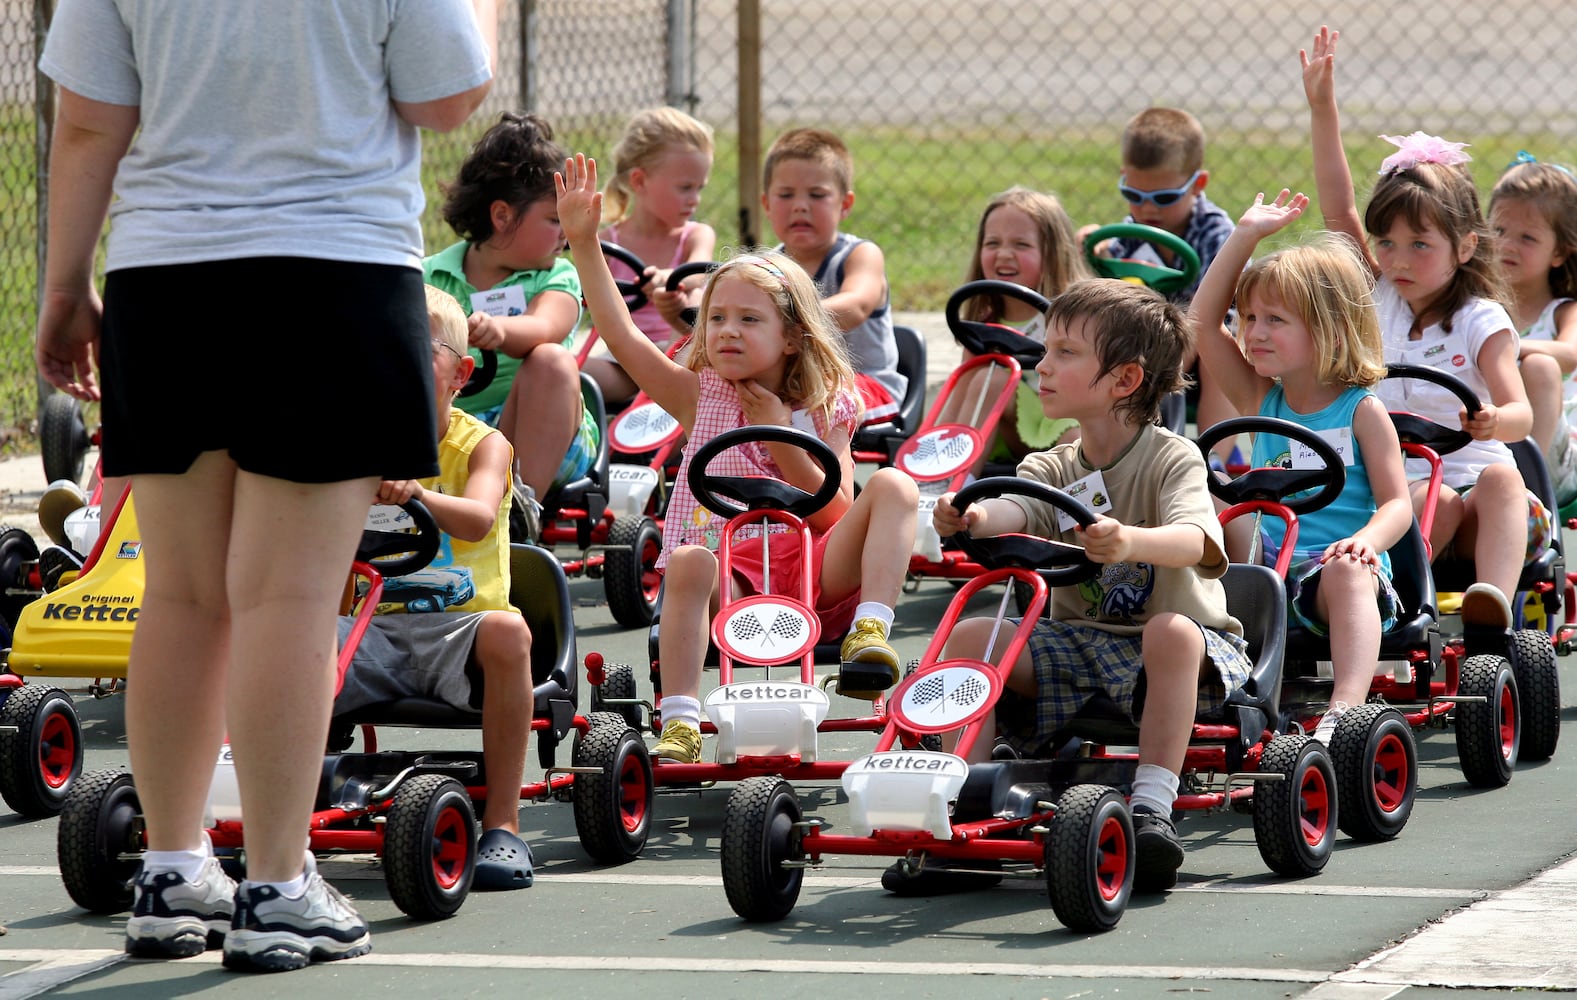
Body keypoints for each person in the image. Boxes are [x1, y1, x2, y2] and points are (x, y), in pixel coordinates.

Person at [35, 0, 494, 973]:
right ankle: (280, 886)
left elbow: (86, 120)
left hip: (165, 277)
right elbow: (447, 95)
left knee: (186, 591)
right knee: (285, 595)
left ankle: (169, 869)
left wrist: (64, 284)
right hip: (332, 270)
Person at [557, 153, 920, 764]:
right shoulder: (699, 395)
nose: (726, 331)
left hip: (811, 570)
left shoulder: (829, 404)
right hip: (730, 572)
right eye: (717, 318)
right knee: (690, 561)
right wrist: (584, 242)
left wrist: (779, 434)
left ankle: (870, 632)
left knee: (894, 487)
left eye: (749, 319)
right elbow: (621, 335)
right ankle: (679, 719)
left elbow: (836, 510)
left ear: (793, 336)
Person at [927, 279, 1253, 895]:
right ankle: (968, 801)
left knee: (1170, 631)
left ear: (1124, 380)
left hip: (1188, 655)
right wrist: (971, 517)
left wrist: (1129, 540)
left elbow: (1198, 540)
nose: (1042, 366)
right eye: (1045, 351)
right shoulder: (1053, 464)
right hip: (1080, 644)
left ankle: (1154, 803)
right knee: (973, 635)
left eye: (1064, 354)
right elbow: (1016, 509)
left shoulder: (1172, 457)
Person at [1302, 25, 1550, 631]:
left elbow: (1520, 413)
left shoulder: (1479, 319)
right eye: (1386, 242)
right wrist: (1323, 108)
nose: (1398, 259)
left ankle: (1492, 605)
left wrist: (1494, 421)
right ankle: (1398, 608)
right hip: (1412, 486)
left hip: (1491, 496)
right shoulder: (1377, 293)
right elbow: (1336, 207)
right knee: (1426, 499)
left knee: (1496, 479)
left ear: (1465, 246)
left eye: (1420, 244)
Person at [332, 286, 536, 890]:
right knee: (288, 635)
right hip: (373, 628)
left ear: (461, 373)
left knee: (508, 631)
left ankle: (503, 823)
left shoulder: (482, 444)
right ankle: (277, 810)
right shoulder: (356, 443)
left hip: (462, 631)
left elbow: (476, 517)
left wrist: (419, 493)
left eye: (416, 349)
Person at [1190, 191, 1413, 741]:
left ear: (1330, 328)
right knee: (1206, 493)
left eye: (1275, 320)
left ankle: (1346, 708)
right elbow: (1200, 323)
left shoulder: (1361, 409)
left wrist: (1367, 543)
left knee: (1344, 573)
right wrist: (1243, 237)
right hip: (1269, 562)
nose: (1255, 332)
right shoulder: (1262, 396)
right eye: (1249, 318)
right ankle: (1193, 687)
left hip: (1335, 569)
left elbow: (1398, 504)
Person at [424, 112, 596, 538]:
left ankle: (521, 510)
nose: (565, 235)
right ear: (501, 216)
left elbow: (545, 327)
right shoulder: (430, 275)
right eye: (555, 220)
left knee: (552, 361)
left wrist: (500, 332)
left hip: (542, 434)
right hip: (447, 426)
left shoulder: (555, 275)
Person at [1082, 107, 1239, 467]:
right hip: (1147, 347)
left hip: (1204, 339)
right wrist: (1093, 255)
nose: (1147, 209)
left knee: (1221, 349)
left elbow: (1216, 313)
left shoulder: (1216, 234)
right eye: (1134, 195)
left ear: (1198, 184)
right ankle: (1112, 454)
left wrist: (1172, 358)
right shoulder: (1128, 236)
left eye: (1164, 198)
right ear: (1124, 178)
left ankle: (1209, 460)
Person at [933, 187, 1094, 473]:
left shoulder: (1072, 317)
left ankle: (1085, 513)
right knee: (986, 379)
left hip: (1062, 420)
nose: (1004, 254)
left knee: (1077, 442)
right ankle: (947, 480)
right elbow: (962, 388)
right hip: (1006, 428)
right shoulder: (985, 321)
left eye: (1021, 245)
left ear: (1052, 253)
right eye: (992, 243)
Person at [760, 127, 906, 425]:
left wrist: (783, 318)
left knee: (813, 403)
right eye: (786, 195)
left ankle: (813, 471)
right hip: (796, 385)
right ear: (766, 204)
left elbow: (857, 305)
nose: (800, 205)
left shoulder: (859, 256)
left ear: (845, 204)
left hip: (864, 384)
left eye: (817, 195)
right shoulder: (765, 266)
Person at [583, 106, 718, 407]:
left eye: (699, 188)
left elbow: (698, 271)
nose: (694, 199)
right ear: (640, 181)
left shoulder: (695, 234)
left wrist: (669, 279)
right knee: (569, 372)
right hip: (626, 363)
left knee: (698, 296)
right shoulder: (606, 243)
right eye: (685, 188)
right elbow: (593, 301)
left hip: (683, 355)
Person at [1489, 155, 1577, 507]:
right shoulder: (1480, 307)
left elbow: (1570, 355)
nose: (1508, 244)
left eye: (1527, 237)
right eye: (1498, 231)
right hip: (1492, 448)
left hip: (1560, 460)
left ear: (1559, 252)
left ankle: (1530, 505)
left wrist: (1503, 346)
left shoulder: (1563, 310)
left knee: (1540, 367)